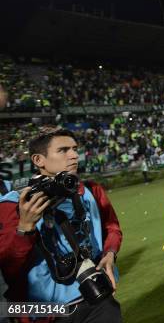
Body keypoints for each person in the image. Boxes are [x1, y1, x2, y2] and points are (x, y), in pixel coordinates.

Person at [0, 128, 123, 322]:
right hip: (47, 313)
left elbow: (112, 228)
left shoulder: (91, 190)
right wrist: (24, 228)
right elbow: (8, 265)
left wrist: (109, 254)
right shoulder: (13, 203)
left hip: (97, 297)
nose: (74, 155)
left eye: (75, 149)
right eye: (63, 150)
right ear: (38, 160)